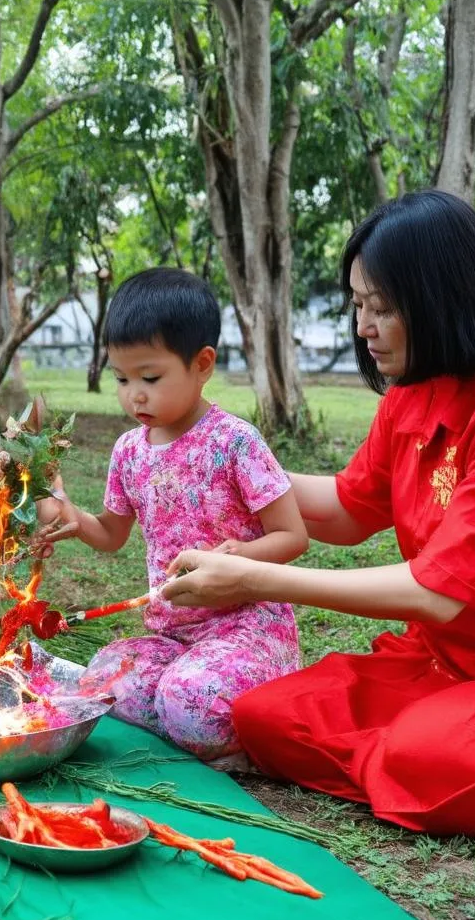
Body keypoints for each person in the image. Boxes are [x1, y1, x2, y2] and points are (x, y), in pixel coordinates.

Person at [161, 190, 475, 848]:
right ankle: (405, 761)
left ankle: (413, 759)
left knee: (425, 755)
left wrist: (253, 578)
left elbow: (434, 593)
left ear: (445, 300)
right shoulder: (413, 391)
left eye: (383, 308)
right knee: (260, 715)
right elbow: (349, 508)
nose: (364, 326)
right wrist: (218, 461)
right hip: (436, 662)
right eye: (359, 304)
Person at [44, 269, 309, 761]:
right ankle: (191, 712)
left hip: (247, 625)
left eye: (150, 377)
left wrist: (242, 556)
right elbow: (111, 534)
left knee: (189, 703)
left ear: (202, 363)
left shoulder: (234, 441)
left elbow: (292, 536)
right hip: (173, 634)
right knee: (102, 678)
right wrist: (72, 517)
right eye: (121, 379)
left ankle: (237, 717)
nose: (134, 395)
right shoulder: (128, 451)